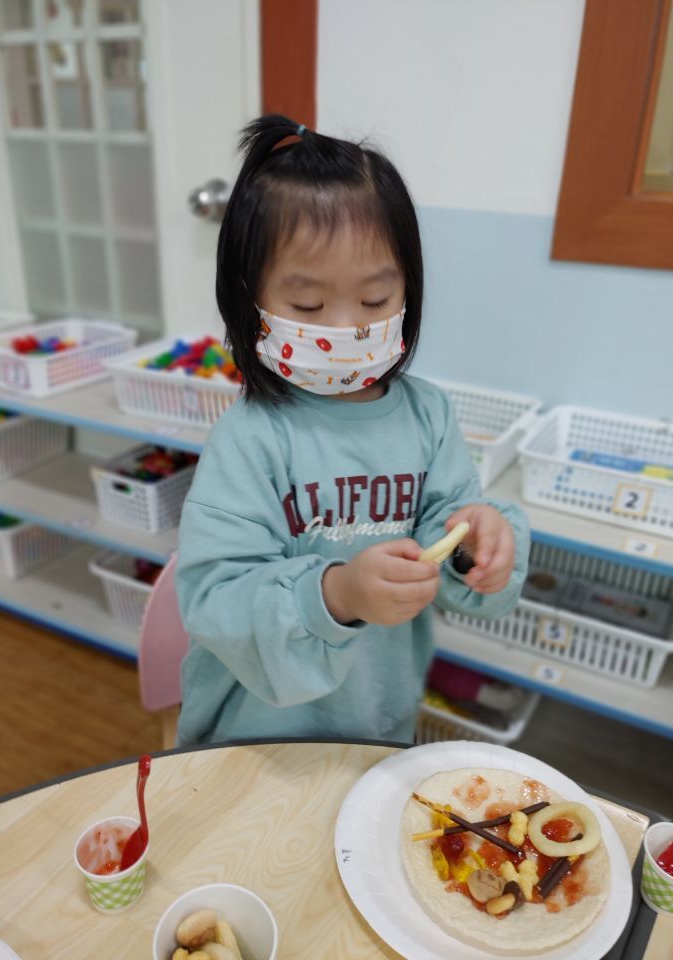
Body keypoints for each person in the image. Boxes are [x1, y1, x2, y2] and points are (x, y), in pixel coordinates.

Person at [175, 114, 529, 745]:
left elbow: (447, 530)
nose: (345, 328)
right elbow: (215, 598)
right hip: (255, 735)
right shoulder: (251, 438)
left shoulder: (428, 415)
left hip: (376, 720)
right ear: (249, 297)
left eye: (373, 302)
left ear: (407, 290)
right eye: (308, 305)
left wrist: (477, 542)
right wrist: (337, 594)